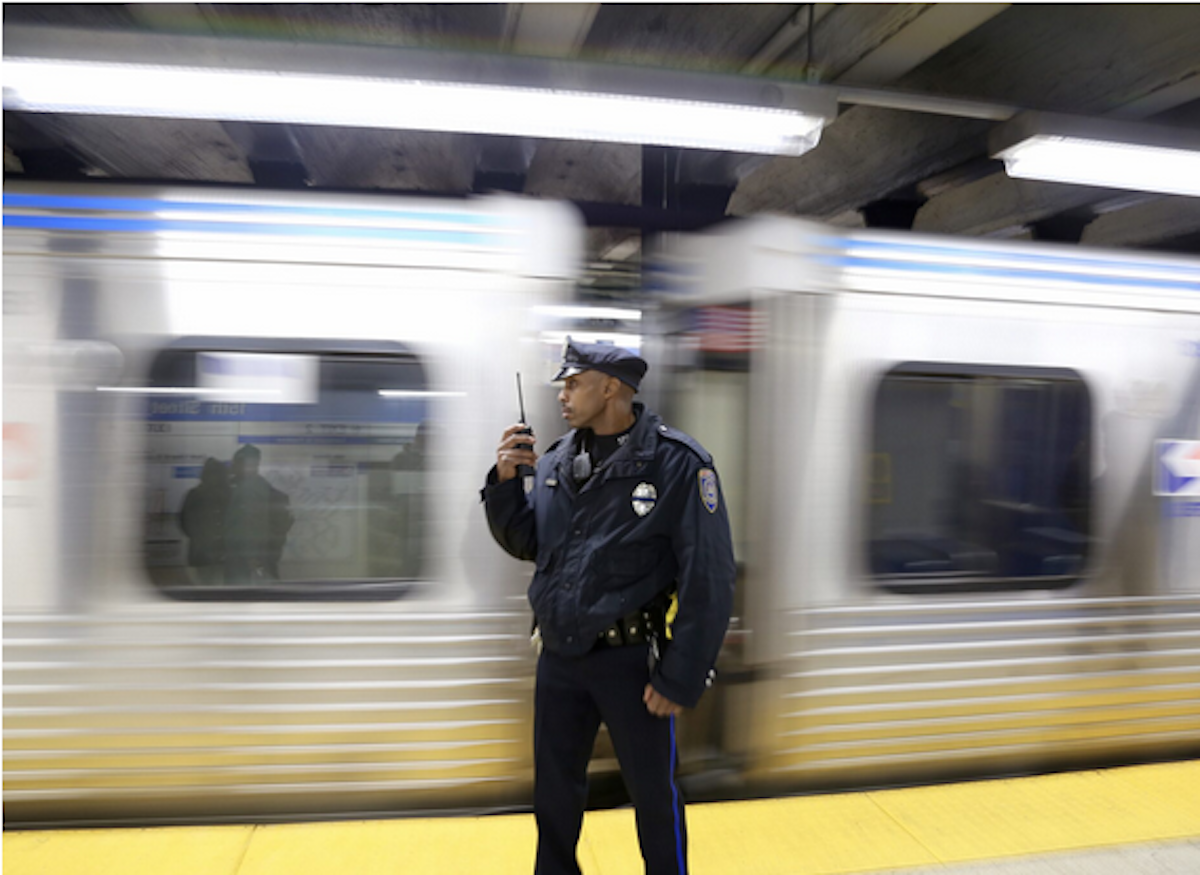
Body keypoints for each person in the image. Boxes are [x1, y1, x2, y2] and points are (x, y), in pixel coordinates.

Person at [482, 338, 736, 875]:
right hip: (559, 659)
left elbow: (708, 576)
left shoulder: (676, 464)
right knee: (553, 800)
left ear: (612, 387)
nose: (563, 396)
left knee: (653, 800)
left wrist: (681, 676)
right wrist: (506, 485)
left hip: (631, 665)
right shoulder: (554, 461)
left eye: (574, 383)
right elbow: (532, 543)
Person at [224, 443, 294, 583]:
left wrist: (253, 557)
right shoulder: (256, 486)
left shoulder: (249, 490)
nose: (233, 467)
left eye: (236, 463)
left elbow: (252, 525)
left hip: (247, 558)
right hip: (254, 556)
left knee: (245, 596)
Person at [179, 457, 231, 585]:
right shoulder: (229, 494)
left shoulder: (194, 494)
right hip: (221, 552)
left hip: (202, 553)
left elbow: (184, 522)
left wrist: (199, 538)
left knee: (206, 588)